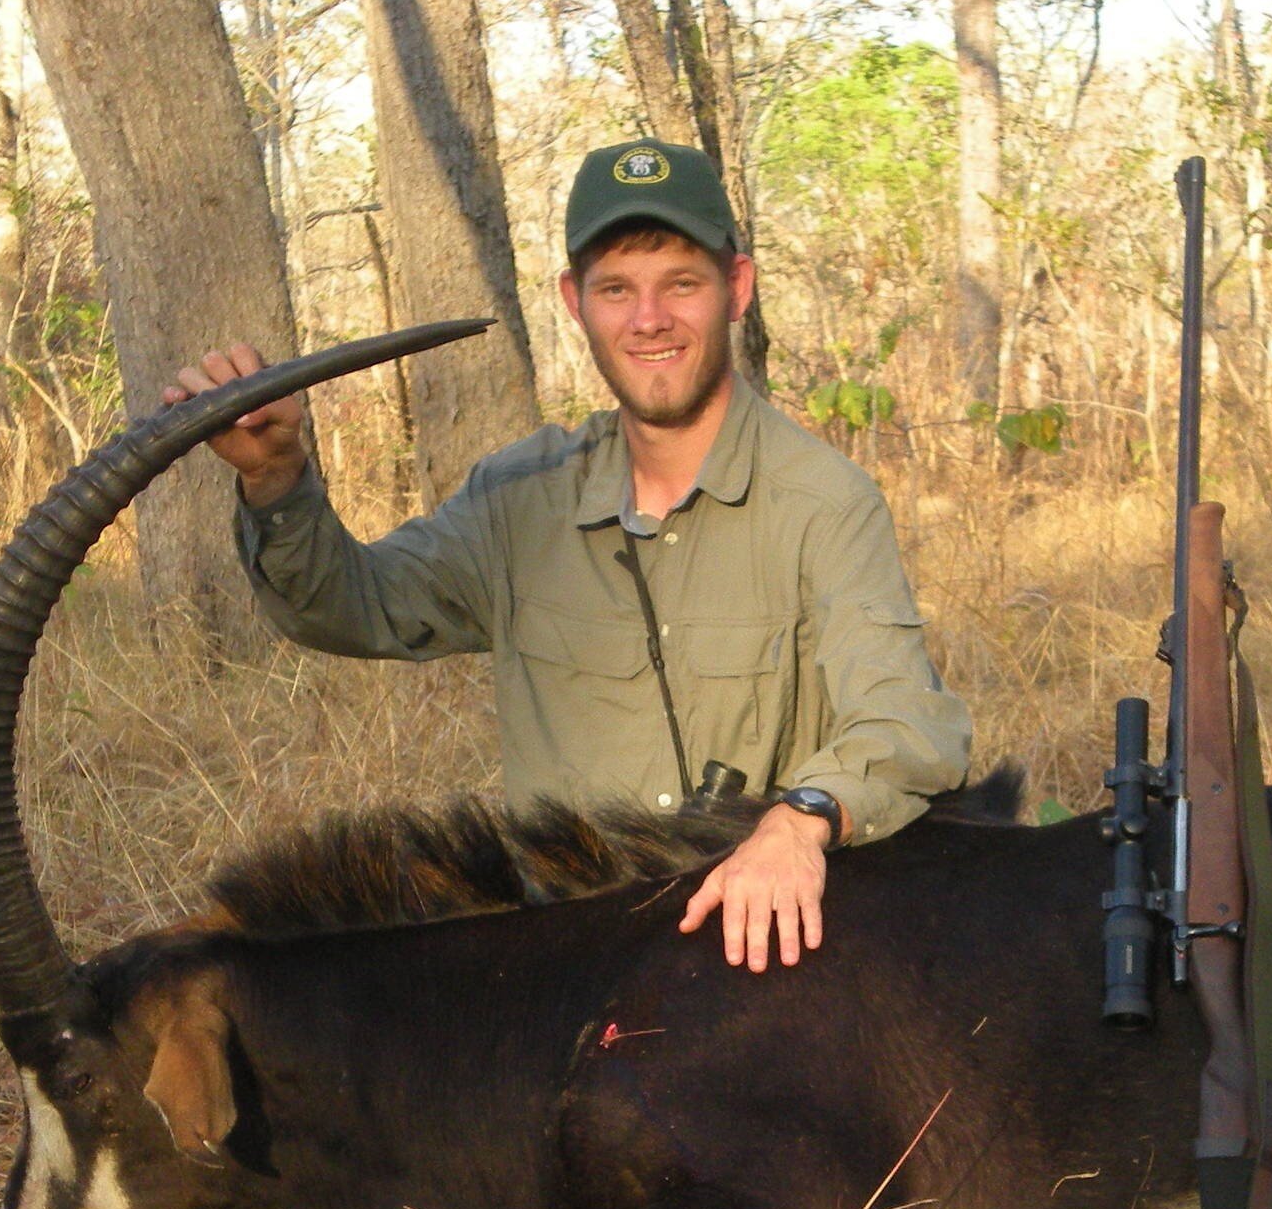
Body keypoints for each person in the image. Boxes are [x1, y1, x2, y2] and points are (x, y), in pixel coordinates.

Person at [167, 138, 971, 973]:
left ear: (737, 288)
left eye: (681, 284)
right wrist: (276, 479)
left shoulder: (823, 500)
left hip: (754, 956)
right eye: (616, 289)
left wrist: (798, 821)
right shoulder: (519, 497)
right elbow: (351, 606)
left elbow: (907, 720)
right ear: (573, 303)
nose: (648, 319)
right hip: (565, 967)